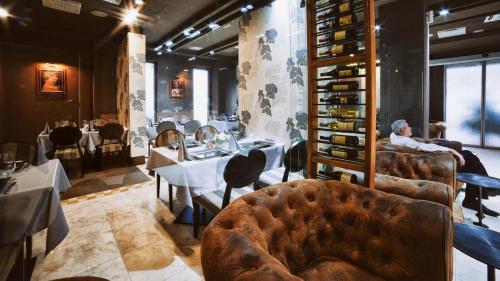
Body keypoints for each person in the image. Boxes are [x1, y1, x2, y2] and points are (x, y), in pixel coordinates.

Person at [389, 119, 498, 217]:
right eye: (408, 126)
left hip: (434, 160)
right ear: (403, 130)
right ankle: (481, 192)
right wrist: (453, 151)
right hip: (438, 164)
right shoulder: (406, 141)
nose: (411, 128)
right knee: (470, 158)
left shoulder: (394, 136)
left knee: (470, 158)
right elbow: (426, 147)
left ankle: (475, 196)